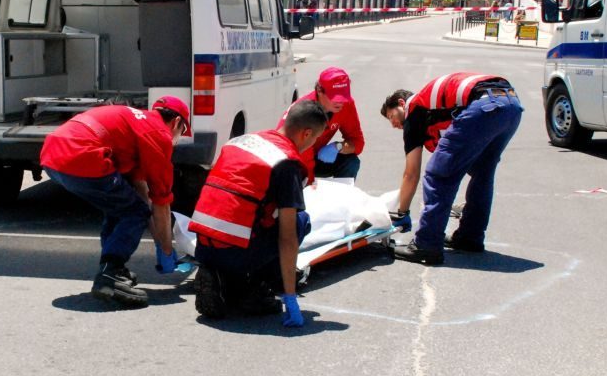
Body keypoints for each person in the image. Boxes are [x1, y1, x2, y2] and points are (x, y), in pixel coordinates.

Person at [40, 96, 190, 308]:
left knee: (121, 208)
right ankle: (110, 273)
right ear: (176, 122)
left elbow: (141, 191)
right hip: (82, 154)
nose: (177, 138)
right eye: (182, 132)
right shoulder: (159, 135)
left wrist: (160, 242)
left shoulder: (139, 123)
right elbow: (161, 203)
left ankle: (111, 268)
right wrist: (166, 250)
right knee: (134, 213)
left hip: (52, 154)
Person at [190, 100, 327, 326]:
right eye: (314, 140)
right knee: (300, 221)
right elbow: (287, 237)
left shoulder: (244, 141)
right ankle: (254, 288)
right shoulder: (287, 163)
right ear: (306, 133)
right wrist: (289, 296)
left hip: (203, 245)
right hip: (235, 252)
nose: (312, 145)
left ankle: (221, 277)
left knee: (257, 216)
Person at [380, 72, 523, 265]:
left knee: (437, 175)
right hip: (510, 104)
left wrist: (401, 213)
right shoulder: (434, 109)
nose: (393, 124)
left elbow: (411, 173)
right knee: (482, 173)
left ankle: (426, 245)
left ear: (401, 103)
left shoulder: (415, 109)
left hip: (484, 105)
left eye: (391, 116)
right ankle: (470, 237)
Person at [277, 67, 364, 182]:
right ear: (319, 90)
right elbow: (291, 150)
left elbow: (358, 142)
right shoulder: (303, 111)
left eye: (343, 97)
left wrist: (338, 147)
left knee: (351, 162)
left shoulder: (347, 105)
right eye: (335, 97)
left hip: (318, 157)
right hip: (293, 160)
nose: (340, 102)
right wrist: (310, 184)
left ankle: (343, 197)